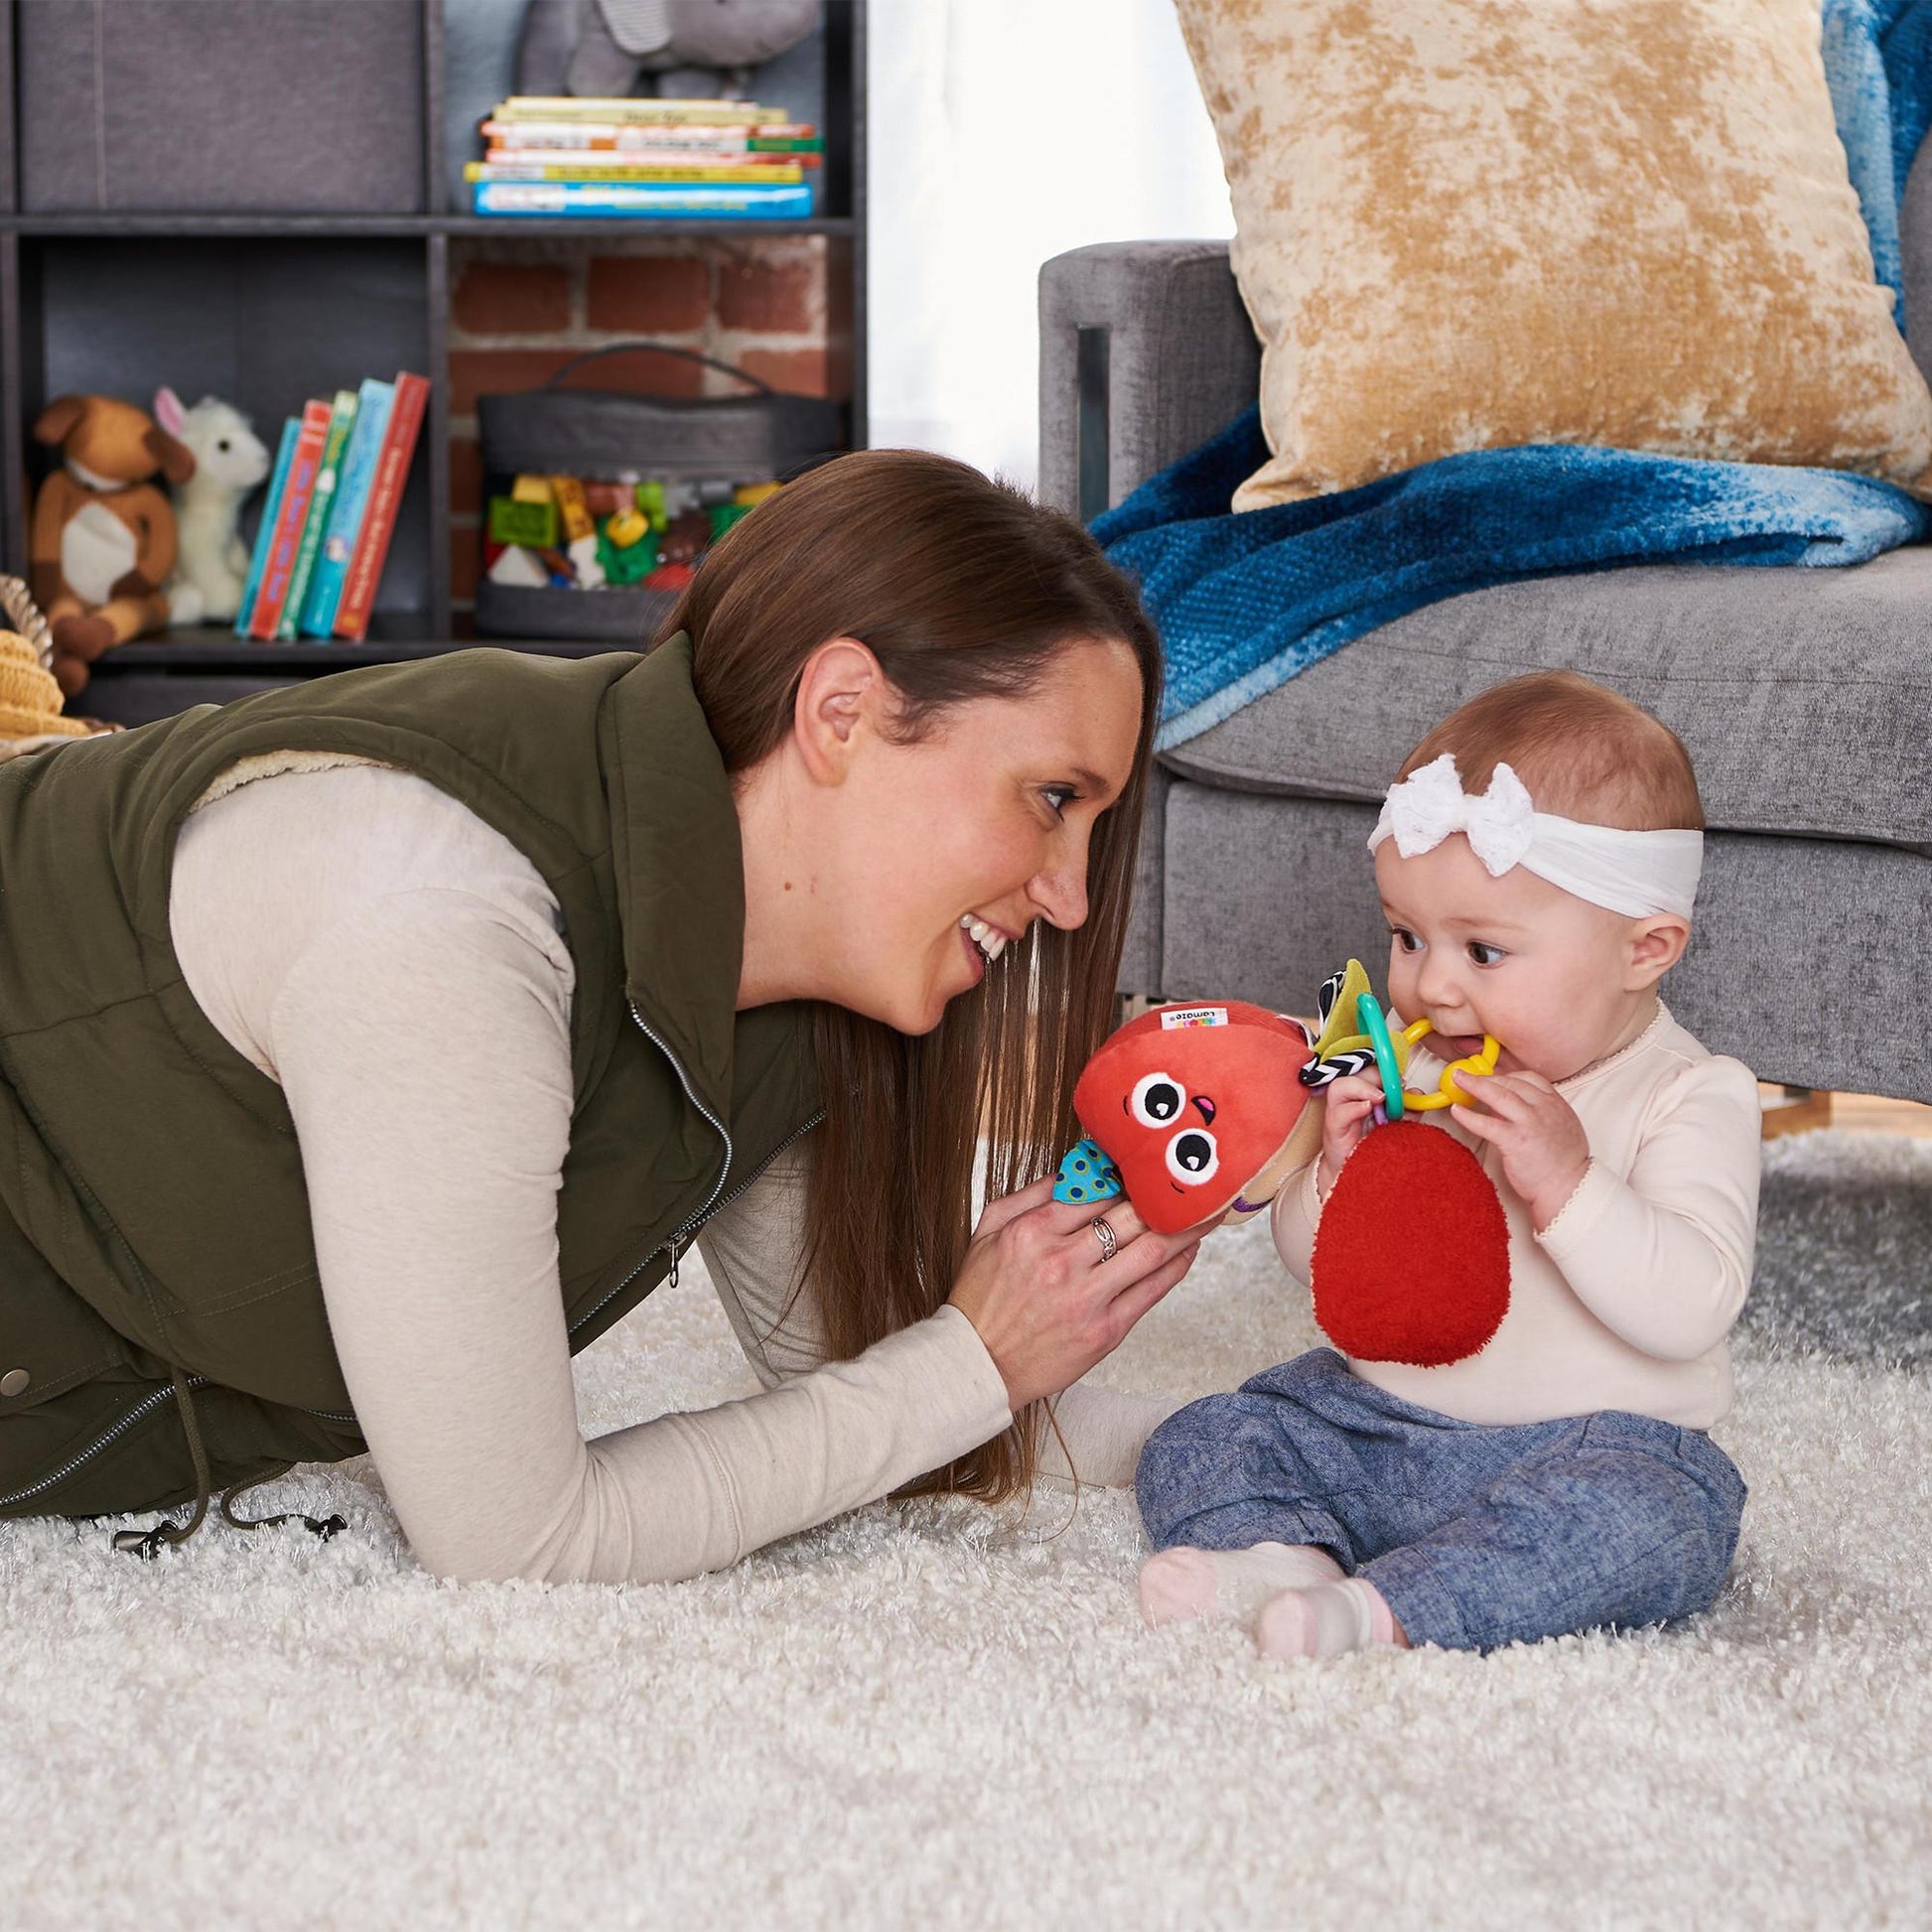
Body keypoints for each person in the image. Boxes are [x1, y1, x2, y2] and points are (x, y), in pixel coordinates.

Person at [0, 450, 1200, 1581]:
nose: (1071, 896)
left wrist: (1230, 1429)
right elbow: (511, 1535)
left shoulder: (775, 950)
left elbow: (860, 1389)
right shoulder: (443, 922)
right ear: (840, 711)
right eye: (1052, 796)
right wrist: (969, 1359)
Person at [1135, 671, 1760, 1657]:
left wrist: (1568, 1181)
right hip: (1378, 1422)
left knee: (1654, 1521)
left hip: (1593, 1444)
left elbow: (1691, 1307)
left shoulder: (1689, 1092)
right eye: (1407, 936)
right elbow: (1320, 1274)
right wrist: (1338, 1173)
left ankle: (1386, 1610)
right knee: (1211, 1430)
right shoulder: (1413, 1070)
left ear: (1644, 949)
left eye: (1483, 951)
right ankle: (1285, 1555)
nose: (1431, 986)